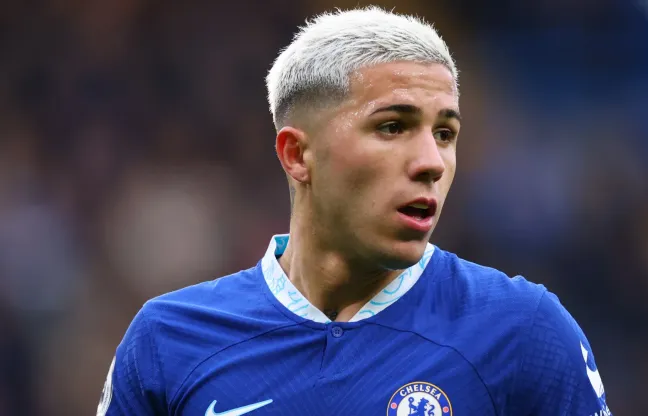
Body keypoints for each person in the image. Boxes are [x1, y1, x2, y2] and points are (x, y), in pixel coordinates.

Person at [98, 7, 612, 416]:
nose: (432, 162)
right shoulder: (169, 341)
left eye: (445, 134)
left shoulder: (523, 332)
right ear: (298, 155)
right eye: (393, 127)